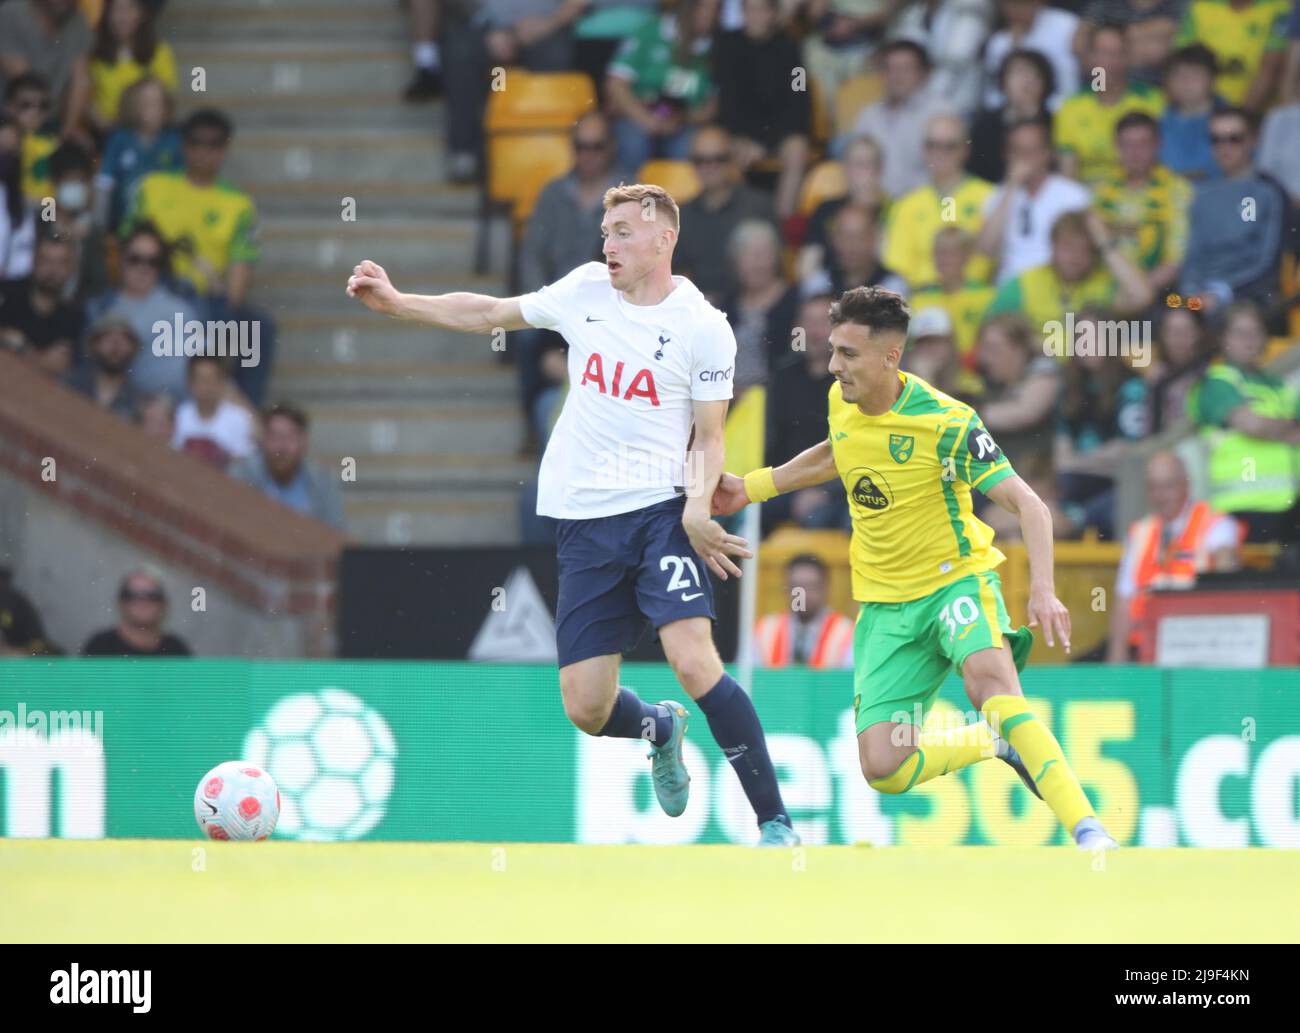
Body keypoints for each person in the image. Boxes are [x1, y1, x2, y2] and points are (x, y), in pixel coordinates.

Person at [346, 181, 800, 846]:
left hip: (660, 514)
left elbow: (709, 437)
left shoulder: (703, 326)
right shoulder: (586, 289)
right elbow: (490, 313)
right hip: (584, 525)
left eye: (622, 231)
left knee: (695, 660)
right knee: (587, 706)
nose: (607, 243)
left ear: (663, 238)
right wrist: (399, 301)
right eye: (605, 230)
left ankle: (775, 824)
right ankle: (660, 728)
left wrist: (698, 510)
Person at [713, 285, 1119, 850]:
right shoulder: (843, 400)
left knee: (993, 689)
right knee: (885, 767)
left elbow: (1030, 504)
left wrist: (1044, 592)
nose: (834, 367)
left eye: (848, 355)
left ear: (890, 357)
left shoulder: (948, 422)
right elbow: (837, 452)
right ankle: (992, 744)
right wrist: (752, 487)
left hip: (955, 581)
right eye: (833, 350)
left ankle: (1089, 830)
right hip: (884, 606)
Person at [1107, 450, 1241, 662]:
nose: (1160, 496)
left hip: (1196, 647)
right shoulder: (1140, 533)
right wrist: (1116, 666)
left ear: (1186, 485)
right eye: (1154, 487)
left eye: (1168, 486)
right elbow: (1124, 600)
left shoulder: (1216, 525)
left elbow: (1228, 578)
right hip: (1145, 649)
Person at [1188, 300, 1300, 544]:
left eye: (1255, 332)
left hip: (1289, 506)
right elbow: (1251, 425)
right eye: (1240, 332)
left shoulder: (1281, 386)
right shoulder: (1218, 382)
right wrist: (1288, 427)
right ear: (1224, 339)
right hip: (1241, 508)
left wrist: (1269, 427)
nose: (1249, 339)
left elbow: (1262, 426)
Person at [1179, 106, 1287, 312]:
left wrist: (1221, 293)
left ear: (1252, 141)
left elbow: (1270, 261)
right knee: (1171, 311)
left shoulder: (1270, 193)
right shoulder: (1200, 193)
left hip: (1250, 297)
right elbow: (1191, 255)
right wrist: (1190, 293)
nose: (1224, 147)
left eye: (1234, 139)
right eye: (1216, 139)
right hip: (1198, 298)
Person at [712, 0, 812, 219]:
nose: (755, 16)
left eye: (762, 10)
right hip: (739, 132)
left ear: (773, 14)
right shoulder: (727, 45)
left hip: (779, 132)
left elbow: (799, 97)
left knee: (797, 149)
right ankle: (737, 221)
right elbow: (727, 102)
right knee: (726, 151)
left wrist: (766, 140)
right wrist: (744, 138)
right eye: (749, 10)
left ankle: (781, 222)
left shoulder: (790, 47)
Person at [84, 222, 199, 401]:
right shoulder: (103, 307)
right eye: (135, 259)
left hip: (197, 403)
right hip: (139, 407)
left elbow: (209, 363)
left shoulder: (181, 306)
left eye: (153, 262)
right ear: (122, 259)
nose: (144, 267)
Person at [986, 209, 1154, 329]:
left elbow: (1142, 296)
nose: (1074, 258)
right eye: (1067, 247)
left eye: (1083, 250)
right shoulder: (1024, 283)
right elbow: (990, 328)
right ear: (1052, 246)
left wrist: (1105, 242)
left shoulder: (1104, 283)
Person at [882, 112, 994, 289]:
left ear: (965, 149)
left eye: (949, 146)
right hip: (922, 299)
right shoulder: (906, 205)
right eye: (932, 145)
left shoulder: (989, 197)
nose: (940, 153)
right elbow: (899, 268)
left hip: (975, 297)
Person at [977, 115, 1091, 285]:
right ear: (1008, 154)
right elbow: (985, 249)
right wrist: (1011, 186)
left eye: (1032, 151)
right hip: (1010, 286)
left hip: (1056, 286)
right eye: (1018, 151)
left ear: (1048, 153)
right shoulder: (998, 195)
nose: (1025, 158)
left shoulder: (1074, 196)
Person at [672, 124, 779, 304]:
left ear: (733, 161)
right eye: (701, 160)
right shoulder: (680, 216)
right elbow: (672, 274)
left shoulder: (760, 207)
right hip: (699, 310)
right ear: (692, 164)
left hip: (750, 306)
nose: (710, 167)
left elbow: (775, 271)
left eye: (719, 159)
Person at [1054, 22, 1166, 187]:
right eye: (1102, 53)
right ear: (1090, 58)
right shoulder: (1071, 107)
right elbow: (1068, 175)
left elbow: (1162, 160)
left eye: (1117, 53)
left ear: (1128, 57)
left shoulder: (1152, 100)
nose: (1109, 62)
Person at [1092, 111, 1192, 295]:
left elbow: (1175, 262)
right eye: (1127, 145)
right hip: (1105, 291)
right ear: (1116, 146)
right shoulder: (1101, 191)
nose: (1134, 153)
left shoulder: (1178, 190)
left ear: (1158, 144)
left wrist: (1135, 293)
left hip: (1157, 292)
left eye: (1143, 144)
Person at [841, 39, 955, 198]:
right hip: (875, 206)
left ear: (923, 74)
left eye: (905, 69)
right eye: (890, 68)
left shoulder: (940, 113)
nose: (896, 76)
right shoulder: (868, 115)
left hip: (924, 207)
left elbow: (948, 171)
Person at [229, 403, 347, 531]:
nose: (281, 447)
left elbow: (337, 533)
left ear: (304, 441)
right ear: (263, 440)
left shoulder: (322, 480)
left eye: (289, 438)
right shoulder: (241, 476)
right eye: (274, 437)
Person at [0, 0, 94, 146]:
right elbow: (25, 81)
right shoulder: (11, 13)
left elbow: (81, 80)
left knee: (83, 148)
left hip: (51, 121)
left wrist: (68, 130)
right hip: (10, 119)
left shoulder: (78, 19)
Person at [1175, 0, 1289, 111]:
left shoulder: (1279, 8)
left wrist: (1241, 116)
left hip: (1254, 111)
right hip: (1201, 108)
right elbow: (1184, 60)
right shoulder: (1201, 6)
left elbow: (1269, 68)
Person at [88, 0, 177, 138]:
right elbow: (87, 101)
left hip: (149, 132)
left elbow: (167, 98)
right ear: (106, 15)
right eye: (116, 10)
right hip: (105, 132)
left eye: (130, 9)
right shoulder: (94, 53)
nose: (123, 17)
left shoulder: (159, 51)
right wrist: (107, 126)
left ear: (141, 14)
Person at [0, 231, 84, 376]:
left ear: (72, 268)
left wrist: (24, 350)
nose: (52, 270)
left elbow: (63, 367)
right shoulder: (7, 293)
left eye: (61, 263)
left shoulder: (75, 316)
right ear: (33, 261)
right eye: (45, 260)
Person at [966, 47, 1054, 184]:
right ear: (1003, 81)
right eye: (1019, 73)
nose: (1027, 81)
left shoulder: (1056, 123)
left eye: (1035, 74)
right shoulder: (985, 125)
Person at [909, 226, 996, 363]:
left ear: (967, 257)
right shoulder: (920, 298)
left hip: (974, 374)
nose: (944, 259)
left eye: (952, 253)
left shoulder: (986, 297)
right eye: (939, 252)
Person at [753, 554, 854, 668]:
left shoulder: (846, 632)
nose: (802, 595)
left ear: (826, 588)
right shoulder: (764, 629)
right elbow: (746, 677)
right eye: (796, 587)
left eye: (810, 586)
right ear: (785, 588)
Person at [981, 0, 1081, 111]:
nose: (1018, 10)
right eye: (1012, 4)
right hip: (1014, 118)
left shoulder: (1068, 26)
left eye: (1024, 4)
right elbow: (994, 97)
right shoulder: (998, 43)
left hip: (1065, 110)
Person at [82, 568, 193, 657]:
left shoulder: (177, 650)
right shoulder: (100, 646)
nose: (142, 602)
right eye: (133, 595)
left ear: (163, 603)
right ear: (121, 601)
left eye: (151, 595)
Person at [172, 355, 257, 468]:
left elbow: (243, 465)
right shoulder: (180, 415)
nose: (206, 386)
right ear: (190, 383)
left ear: (222, 383)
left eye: (211, 380)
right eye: (201, 380)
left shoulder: (239, 418)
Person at [1159, 43, 1224, 182]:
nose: (1186, 82)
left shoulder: (1233, 122)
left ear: (1212, 80)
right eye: (1179, 75)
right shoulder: (1159, 123)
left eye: (1195, 75)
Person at [63, 313, 144, 420]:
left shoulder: (137, 402)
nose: (116, 346)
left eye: (123, 340)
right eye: (109, 338)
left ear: (133, 349)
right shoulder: (69, 384)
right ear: (95, 345)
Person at [1148, 303, 1212, 433]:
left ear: (1199, 333)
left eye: (1185, 330)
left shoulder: (1211, 373)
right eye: (1172, 331)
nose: (1178, 338)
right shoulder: (1156, 375)